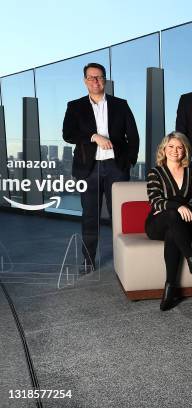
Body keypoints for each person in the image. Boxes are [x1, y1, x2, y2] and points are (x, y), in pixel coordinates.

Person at [62, 62, 139, 270]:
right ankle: (88, 260)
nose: (95, 81)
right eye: (91, 77)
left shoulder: (120, 104)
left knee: (120, 216)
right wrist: (93, 136)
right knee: (89, 216)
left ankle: (124, 260)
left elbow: (133, 135)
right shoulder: (74, 106)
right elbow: (68, 134)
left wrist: (128, 162)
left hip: (116, 167)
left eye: (99, 77)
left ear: (105, 79)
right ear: (85, 80)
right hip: (89, 168)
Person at [145, 132, 192, 311]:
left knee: (173, 231)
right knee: (171, 215)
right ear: (164, 149)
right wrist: (178, 206)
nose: (175, 151)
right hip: (156, 223)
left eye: (179, 147)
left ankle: (170, 288)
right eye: (171, 147)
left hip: (181, 224)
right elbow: (155, 201)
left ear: (185, 151)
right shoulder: (155, 173)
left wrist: (185, 207)